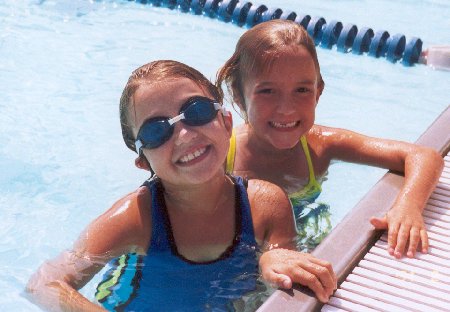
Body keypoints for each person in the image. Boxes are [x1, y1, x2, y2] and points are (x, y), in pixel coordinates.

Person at [26, 60, 337, 311]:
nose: (185, 135)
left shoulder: (266, 205)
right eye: (157, 131)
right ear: (144, 162)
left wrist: (273, 258)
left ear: (226, 122)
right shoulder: (135, 218)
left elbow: (282, 269)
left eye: (197, 111)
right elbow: (43, 282)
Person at [216, 19, 444, 259]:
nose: (286, 109)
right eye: (267, 91)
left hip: (305, 247)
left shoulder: (321, 145)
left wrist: (408, 206)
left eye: (302, 90)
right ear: (238, 96)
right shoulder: (221, 155)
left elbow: (424, 155)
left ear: (318, 92)